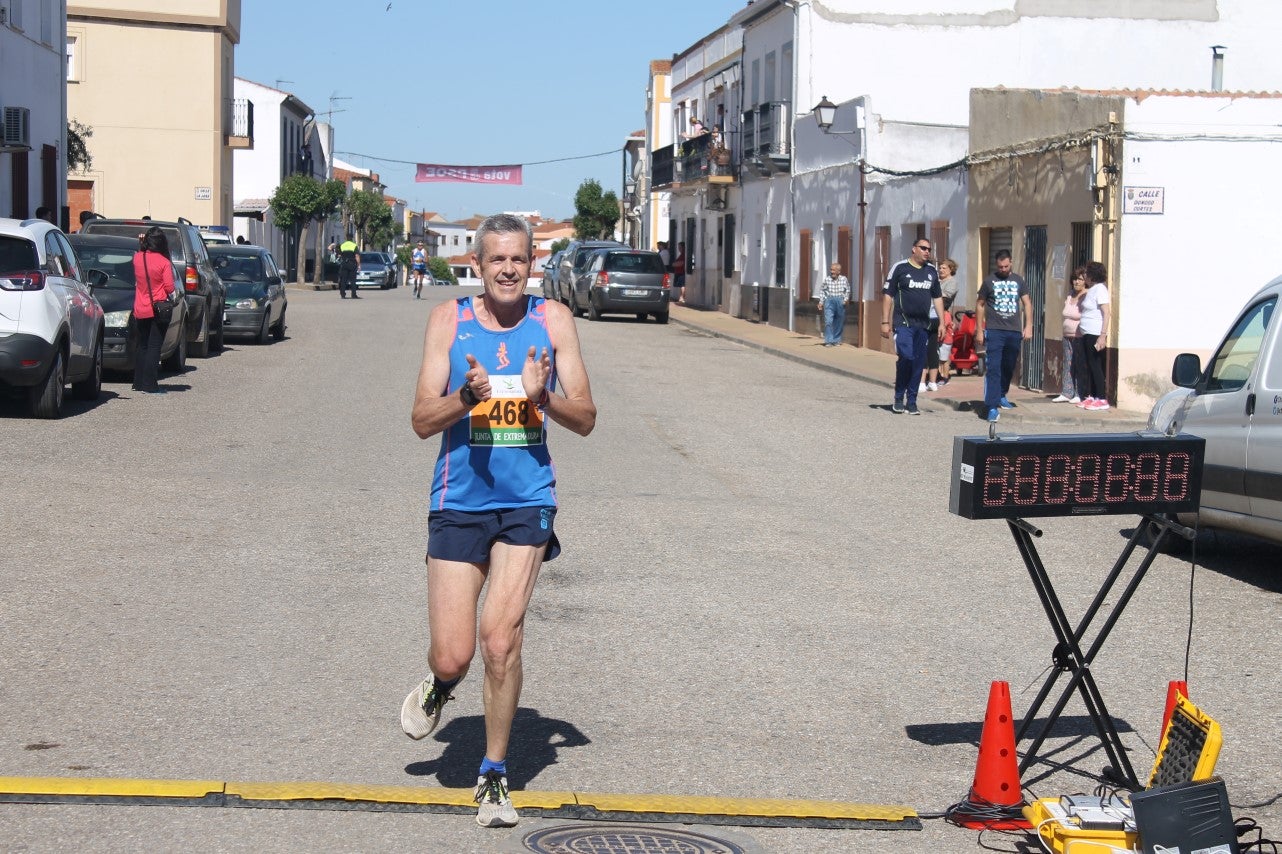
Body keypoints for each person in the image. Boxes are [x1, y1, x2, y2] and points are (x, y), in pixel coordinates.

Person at [401, 213, 597, 829]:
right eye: (496, 261)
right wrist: (467, 399)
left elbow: (587, 418)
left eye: (519, 260)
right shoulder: (448, 322)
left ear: (531, 264)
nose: (509, 270)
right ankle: (439, 685)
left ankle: (493, 773)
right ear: (478, 266)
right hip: (458, 500)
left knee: (500, 640)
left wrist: (544, 400)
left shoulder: (554, 320)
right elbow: (421, 420)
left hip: (527, 502)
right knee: (456, 654)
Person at [882, 239, 944, 415]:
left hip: (923, 325)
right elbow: (888, 295)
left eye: (929, 249)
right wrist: (885, 322)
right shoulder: (900, 268)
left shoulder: (931, 271)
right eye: (923, 248)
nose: (927, 251)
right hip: (903, 323)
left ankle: (912, 401)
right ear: (913, 248)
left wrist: (943, 323)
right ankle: (898, 397)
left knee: (918, 363)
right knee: (906, 357)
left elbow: (937, 297)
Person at [975, 250, 1032, 423]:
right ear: (996, 265)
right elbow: (980, 304)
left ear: (1011, 263)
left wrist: (1028, 326)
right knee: (993, 367)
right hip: (995, 330)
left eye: (1006, 266)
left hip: (1014, 330)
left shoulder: (1018, 280)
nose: (1003, 269)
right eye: (1000, 267)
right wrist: (979, 329)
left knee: (1008, 365)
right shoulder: (988, 281)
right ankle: (991, 406)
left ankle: (1001, 394)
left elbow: (1027, 303)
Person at [131, 226, 176, 394]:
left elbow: (141, 254)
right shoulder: (164, 262)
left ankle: (138, 382)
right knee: (154, 346)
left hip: (140, 306)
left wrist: (141, 244)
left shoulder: (137, 258)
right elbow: (170, 287)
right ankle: (150, 384)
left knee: (142, 345)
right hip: (158, 307)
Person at [1075, 260, 1111, 410]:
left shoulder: (1101, 289)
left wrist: (1103, 335)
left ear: (1092, 275)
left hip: (1095, 333)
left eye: (1087, 274)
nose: (1085, 277)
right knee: (1089, 365)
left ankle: (1101, 398)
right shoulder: (1093, 290)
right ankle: (1092, 396)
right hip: (1087, 333)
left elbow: (1106, 312)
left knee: (1096, 365)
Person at [1052, 268, 1087, 403]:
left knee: (1079, 364)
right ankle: (1067, 392)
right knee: (1068, 363)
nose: (1076, 282)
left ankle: (1080, 393)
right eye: (1074, 279)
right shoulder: (1070, 295)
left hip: (1079, 336)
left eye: (1080, 279)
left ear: (1085, 282)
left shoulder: (1086, 296)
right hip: (1067, 335)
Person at [936, 258, 960, 386]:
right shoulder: (938, 282)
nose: (941, 270)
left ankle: (945, 376)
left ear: (951, 269)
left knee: (944, 348)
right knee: (936, 349)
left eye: (944, 268)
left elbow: (944, 298)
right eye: (940, 267)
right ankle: (937, 374)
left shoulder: (952, 282)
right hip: (934, 313)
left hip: (944, 314)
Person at [816, 261, 850, 346]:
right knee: (828, 321)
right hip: (829, 301)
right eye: (831, 270)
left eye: (834, 270)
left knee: (839, 321)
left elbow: (848, 290)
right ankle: (828, 341)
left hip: (840, 301)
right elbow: (822, 290)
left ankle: (836, 339)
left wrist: (845, 300)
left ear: (839, 271)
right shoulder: (827, 279)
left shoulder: (844, 279)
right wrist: (821, 302)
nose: (832, 272)